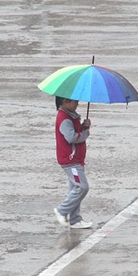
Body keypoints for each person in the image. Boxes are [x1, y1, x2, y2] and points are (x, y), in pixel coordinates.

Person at [53, 97, 92, 229]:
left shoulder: (70, 117)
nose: (77, 104)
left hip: (76, 159)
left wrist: (83, 126)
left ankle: (75, 220)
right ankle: (62, 210)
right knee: (82, 187)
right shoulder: (64, 119)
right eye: (75, 102)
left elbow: (74, 132)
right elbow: (71, 137)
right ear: (65, 101)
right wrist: (85, 133)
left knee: (75, 189)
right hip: (71, 161)